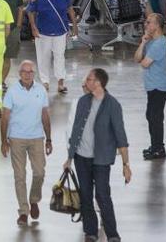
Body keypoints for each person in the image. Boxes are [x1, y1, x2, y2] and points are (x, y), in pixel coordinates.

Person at [64, 68, 131, 242]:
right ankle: (90, 231)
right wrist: (70, 157)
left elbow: (121, 136)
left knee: (102, 195)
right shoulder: (83, 102)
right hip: (81, 157)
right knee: (85, 195)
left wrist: (126, 165)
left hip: (102, 159)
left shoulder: (112, 105)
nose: (86, 81)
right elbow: (76, 130)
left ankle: (112, 234)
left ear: (99, 83)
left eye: (89, 79)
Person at [0, 60, 52, 226]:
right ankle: (23, 211)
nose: (28, 75)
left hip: (37, 137)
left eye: (31, 72)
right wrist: (3, 141)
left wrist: (49, 138)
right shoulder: (12, 92)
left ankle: (34, 199)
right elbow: (5, 117)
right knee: (19, 176)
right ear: (20, 73)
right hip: (17, 138)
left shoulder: (41, 90)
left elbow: (45, 115)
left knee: (39, 173)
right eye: (25, 71)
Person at [26, 0, 77, 94]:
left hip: (60, 30)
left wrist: (74, 25)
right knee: (43, 57)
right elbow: (30, 11)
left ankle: (60, 82)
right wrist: (33, 27)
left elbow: (70, 8)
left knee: (60, 56)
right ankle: (45, 82)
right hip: (43, 32)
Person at [135, 13, 166, 160]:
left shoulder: (159, 44)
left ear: (157, 26)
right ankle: (155, 146)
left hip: (159, 87)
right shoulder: (151, 41)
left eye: (149, 22)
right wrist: (143, 42)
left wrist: (144, 44)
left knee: (155, 118)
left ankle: (158, 149)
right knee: (151, 116)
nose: (146, 25)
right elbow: (137, 58)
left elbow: (144, 63)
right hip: (153, 86)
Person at [0, 0, 25, 85]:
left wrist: (18, 26)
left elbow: (20, 8)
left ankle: (1, 81)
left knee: (7, 57)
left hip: (12, 29)